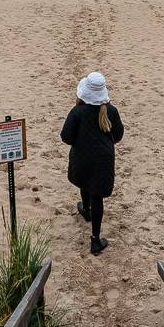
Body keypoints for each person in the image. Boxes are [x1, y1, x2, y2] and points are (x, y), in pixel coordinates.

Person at [60, 71, 124, 255]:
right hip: (103, 158)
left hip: (82, 155)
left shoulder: (78, 111)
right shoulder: (111, 111)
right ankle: (95, 239)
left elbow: (66, 136)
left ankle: (86, 210)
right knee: (97, 194)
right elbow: (118, 135)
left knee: (84, 182)